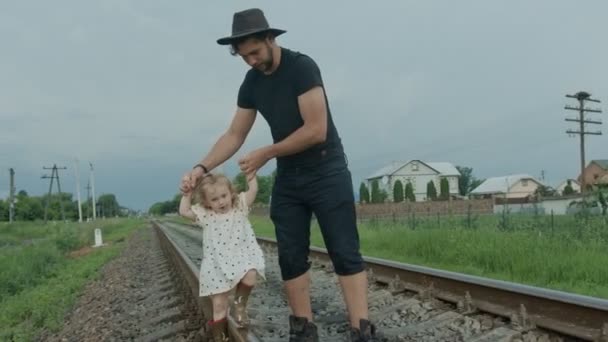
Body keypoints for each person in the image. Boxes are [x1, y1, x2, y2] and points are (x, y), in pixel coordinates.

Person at [180, 8, 384, 341]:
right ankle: (303, 329)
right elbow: (234, 134)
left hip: (326, 168)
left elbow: (316, 129)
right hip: (290, 176)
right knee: (290, 253)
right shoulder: (251, 82)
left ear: (270, 39)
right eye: (243, 56)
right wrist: (201, 167)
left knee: (343, 249)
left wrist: (267, 152)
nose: (250, 61)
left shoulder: (302, 68)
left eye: (255, 53)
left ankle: (361, 329)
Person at [179, 172, 265, 342]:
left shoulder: (239, 206)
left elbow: (252, 191)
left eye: (224, 196)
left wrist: (251, 177)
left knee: (251, 274)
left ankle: (239, 306)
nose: (221, 202)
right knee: (219, 305)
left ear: (231, 192)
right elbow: (184, 211)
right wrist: (187, 195)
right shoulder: (206, 214)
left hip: (241, 257)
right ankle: (222, 338)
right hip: (216, 265)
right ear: (207, 203)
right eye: (215, 199)